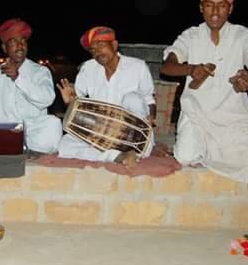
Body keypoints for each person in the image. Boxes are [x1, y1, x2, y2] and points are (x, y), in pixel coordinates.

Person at [160, 0, 248, 186]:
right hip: (196, 114)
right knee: (185, 156)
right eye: (209, 6)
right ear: (201, 8)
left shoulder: (242, 35)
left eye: (221, 6)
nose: (215, 12)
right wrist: (191, 69)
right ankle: (206, 151)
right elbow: (167, 65)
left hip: (232, 117)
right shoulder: (190, 36)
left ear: (230, 9)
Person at [56, 26, 181, 176]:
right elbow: (79, 106)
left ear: (114, 45)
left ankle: (142, 147)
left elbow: (149, 98)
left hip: (133, 136)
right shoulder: (88, 69)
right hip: (101, 134)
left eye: (100, 45)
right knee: (65, 145)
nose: (97, 52)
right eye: (93, 50)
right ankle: (116, 156)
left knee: (132, 98)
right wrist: (70, 101)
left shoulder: (138, 66)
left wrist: (151, 116)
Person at [0, 18, 62, 153]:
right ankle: (8, 148)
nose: (20, 46)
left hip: (30, 133)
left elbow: (47, 99)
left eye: (23, 41)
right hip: (0, 131)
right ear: (5, 48)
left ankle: (26, 150)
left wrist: (18, 78)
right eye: (14, 42)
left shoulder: (40, 71)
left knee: (53, 125)